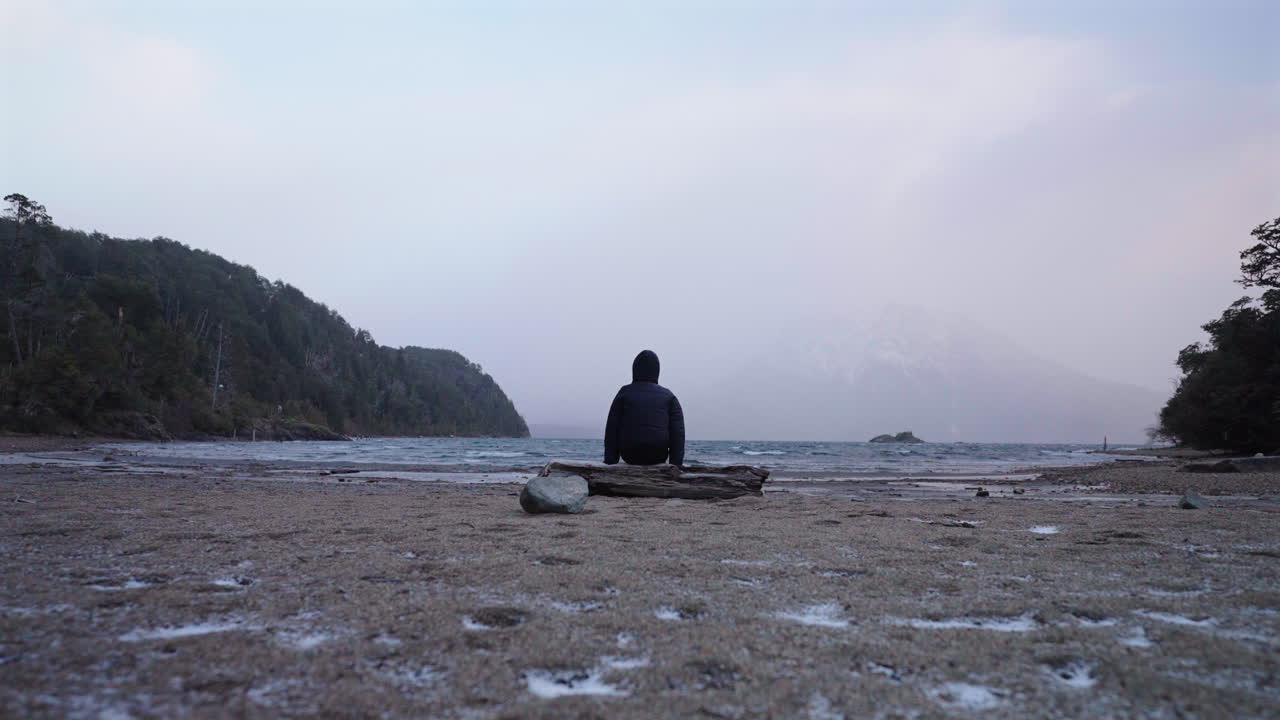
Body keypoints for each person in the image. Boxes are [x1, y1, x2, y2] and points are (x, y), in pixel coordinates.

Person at [604, 350, 685, 466]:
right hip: (657, 455)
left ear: (635, 369)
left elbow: (612, 429)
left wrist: (610, 461)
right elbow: (678, 433)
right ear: (657, 371)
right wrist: (676, 464)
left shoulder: (624, 392)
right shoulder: (669, 396)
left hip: (630, 454)